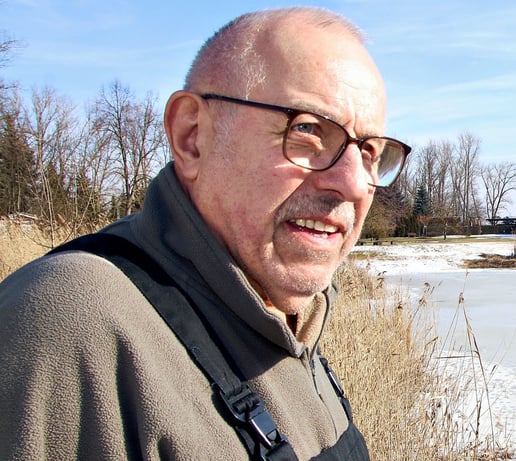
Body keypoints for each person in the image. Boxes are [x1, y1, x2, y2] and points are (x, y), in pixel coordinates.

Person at [0, 6, 410, 460]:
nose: (353, 183)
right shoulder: (69, 324)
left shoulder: (289, 322)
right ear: (192, 136)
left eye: (370, 152)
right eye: (308, 130)